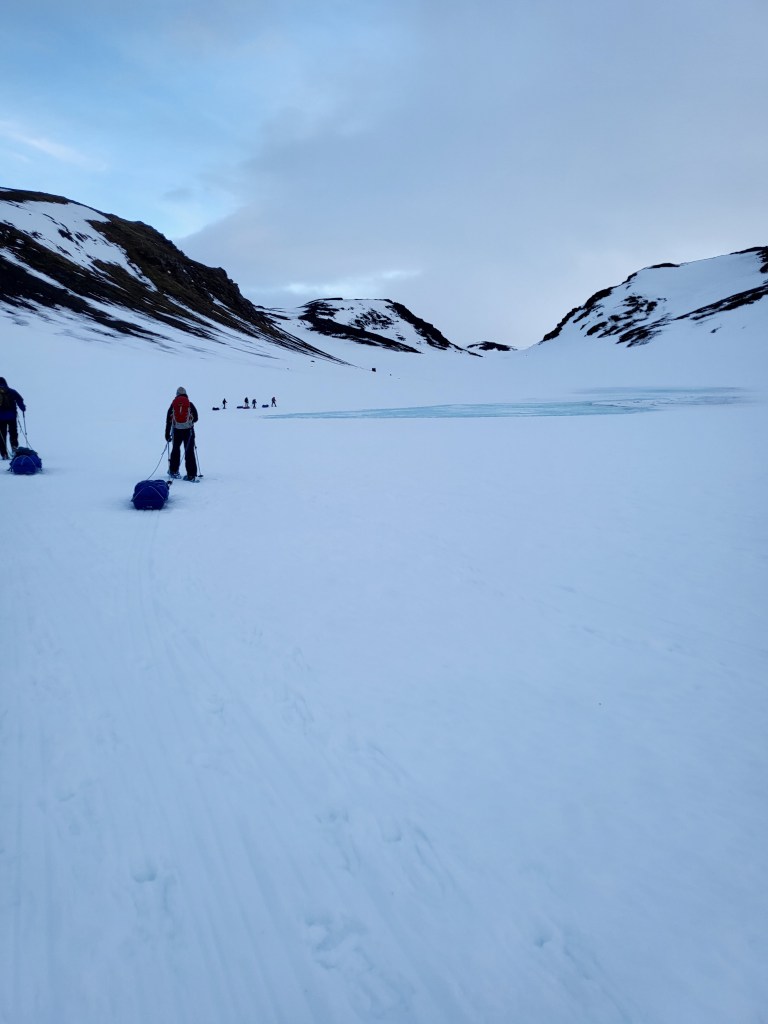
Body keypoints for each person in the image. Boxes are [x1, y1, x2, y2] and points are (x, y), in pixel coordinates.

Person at [165, 387, 199, 480]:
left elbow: (168, 420)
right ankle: (191, 475)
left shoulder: (173, 405)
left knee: (175, 450)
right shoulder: (190, 404)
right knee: (189, 451)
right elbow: (196, 418)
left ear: (177, 394)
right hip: (189, 431)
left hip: (176, 431)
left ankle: (173, 471)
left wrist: (167, 434)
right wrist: (189, 421)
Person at [0, 376, 26, 460]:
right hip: (12, 417)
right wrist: (22, 408)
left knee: (2, 435)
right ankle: (14, 448)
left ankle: (4, 454)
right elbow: (20, 399)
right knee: (13, 433)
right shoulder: (11, 391)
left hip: (1, 418)